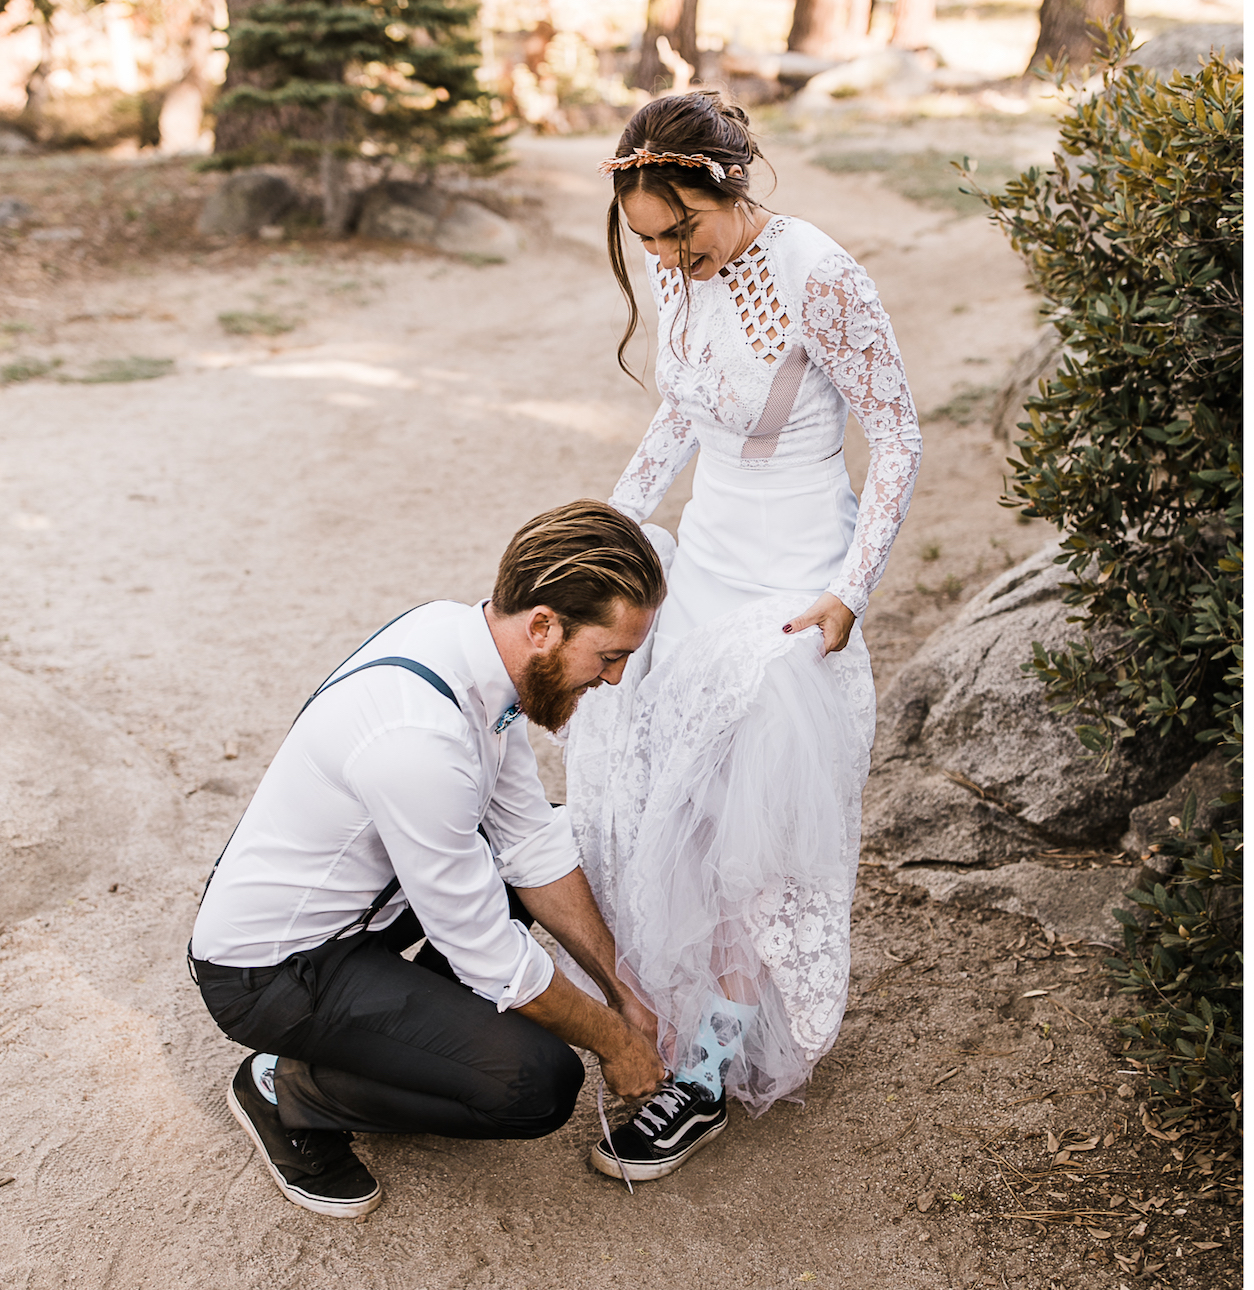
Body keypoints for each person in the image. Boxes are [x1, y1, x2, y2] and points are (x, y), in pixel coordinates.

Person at [563, 89, 922, 1183]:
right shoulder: (680, 275)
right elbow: (679, 413)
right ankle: (661, 1024)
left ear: (728, 186)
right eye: (648, 241)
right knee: (642, 797)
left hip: (789, 591)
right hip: (701, 568)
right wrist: (611, 533)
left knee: (734, 849)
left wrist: (850, 593)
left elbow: (897, 433)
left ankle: (709, 1076)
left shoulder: (820, 274)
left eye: (682, 230)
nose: (671, 259)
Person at [190, 503, 672, 1219]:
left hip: (358, 915)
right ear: (543, 625)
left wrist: (620, 988)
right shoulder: (419, 741)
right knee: (534, 1083)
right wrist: (617, 1043)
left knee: (556, 842)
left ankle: (413, 1042)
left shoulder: (472, 645)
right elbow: (492, 960)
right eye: (608, 655)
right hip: (272, 973)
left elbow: (530, 843)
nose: (614, 678)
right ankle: (286, 1089)